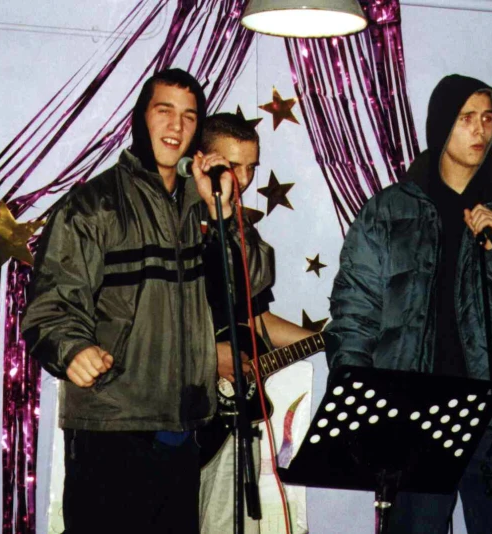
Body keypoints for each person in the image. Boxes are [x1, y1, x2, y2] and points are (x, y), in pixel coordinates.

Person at [324, 74, 492, 534]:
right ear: (441, 125)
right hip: (413, 411)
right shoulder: (387, 211)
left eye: (487, 119)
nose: (481, 130)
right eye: (467, 119)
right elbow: (354, 311)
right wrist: (361, 401)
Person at [22, 69, 272, 534]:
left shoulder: (204, 205)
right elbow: (50, 307)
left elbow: (252, 281)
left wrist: (223, 216)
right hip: (109, 429)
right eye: (165, 112)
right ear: (141, 118)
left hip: (183, 431)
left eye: (189, 117)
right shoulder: (94, 205)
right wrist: (73, 348)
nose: (176, 127)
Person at [197, 112, 314, 534]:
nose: (244, 179)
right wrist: (208, 356)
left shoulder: (243, 227)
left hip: (228, 422)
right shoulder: (173, 221)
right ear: (202, 161)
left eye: (251, 167)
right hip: (172, 419)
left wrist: (325, 339)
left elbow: (257, 319)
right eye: (233, 166)